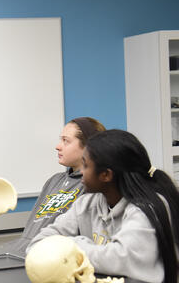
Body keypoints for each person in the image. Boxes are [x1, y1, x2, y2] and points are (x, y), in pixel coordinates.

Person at [28, 129, 179, 282]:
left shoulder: (147, 208)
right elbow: (38, 244)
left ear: (106, 175)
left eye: (85, 166)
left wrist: (69, 246)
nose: (81, 172)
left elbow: (120, 259)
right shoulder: (85, 203)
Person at [9, 117, 105, 255]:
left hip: (52, 258)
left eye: (66, 141)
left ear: (88, 147)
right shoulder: (54, 181)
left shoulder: (92, 186)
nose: (58, 146)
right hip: (23, 252)